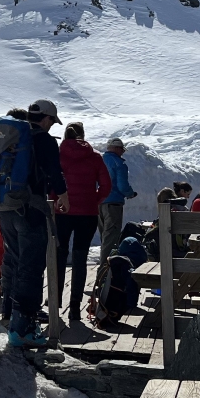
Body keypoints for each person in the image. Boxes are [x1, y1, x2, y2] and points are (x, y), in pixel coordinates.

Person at [0, 99, 68, 349]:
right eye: (52, 121)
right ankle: (23, 328)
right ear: (47, 119)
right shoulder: (44, 139)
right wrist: (63, 195)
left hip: (6, 207)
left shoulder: (14, 136)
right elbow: (54, 171)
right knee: (31, 265)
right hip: (30, 209)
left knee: (14, 259)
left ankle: (10, 313)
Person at [56, 123, 111, 326]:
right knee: (80, 258)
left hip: (62, 212)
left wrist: (57, 200)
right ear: (83, 135)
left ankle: (55, 301)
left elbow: (52, 181)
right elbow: (106, 186)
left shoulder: (58, 155)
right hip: (87, 214)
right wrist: (93, 200)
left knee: (59, 255)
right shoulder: (94, 156)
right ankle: (75, 308)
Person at [93, 137, 136, 300]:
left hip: (99, 203)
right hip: (113, 203)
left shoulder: (100, 160)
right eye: (122, 150)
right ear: (118, 149)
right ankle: (104, 277)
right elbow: (122, 185)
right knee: (111, 240)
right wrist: (130, 194)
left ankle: (105, 273)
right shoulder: (119, 163)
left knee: (105, 238)